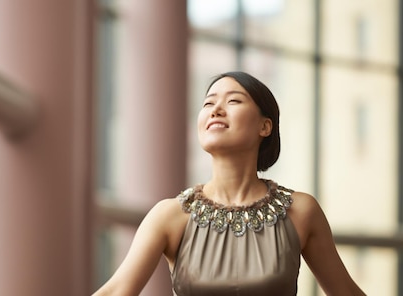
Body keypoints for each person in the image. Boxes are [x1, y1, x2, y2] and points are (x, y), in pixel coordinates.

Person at [92, 71, 366, 296]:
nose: (216, 110)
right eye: (208, 104)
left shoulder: (301, 212)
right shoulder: (169, 216)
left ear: (265, 127)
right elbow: (116, 292)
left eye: (233, 101)